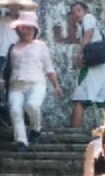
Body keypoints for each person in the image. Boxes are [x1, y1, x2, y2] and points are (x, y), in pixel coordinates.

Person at [5, 11, 63, 152]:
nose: (27, 31)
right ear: (18, 29)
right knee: (15, 110)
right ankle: (21, 141)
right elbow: (7, 67)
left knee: (32, 106)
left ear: (35, 29)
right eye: (24, 27)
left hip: (36, 83)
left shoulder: (41, 46)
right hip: (16, 84)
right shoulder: (13, 46)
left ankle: (36, 129)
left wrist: (56, 85)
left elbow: (48, 67)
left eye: (30, 28)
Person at [69, 0, 105, 128]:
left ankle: (74, 133)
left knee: (79, 99)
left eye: (79, 10)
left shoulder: (88, 18)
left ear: (86, 11)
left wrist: (79, 53)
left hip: (93, 66)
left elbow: (88, 34)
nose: (76, 14)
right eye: (73, 12)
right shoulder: (85, 24)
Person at [0, 0, 38, 111]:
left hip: (20, 56)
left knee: (17, 84)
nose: (14, 7)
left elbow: (33, 38)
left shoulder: (26, 21)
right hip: (0, 55)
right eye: (11, 5)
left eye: (16, 5)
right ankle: (4, 112)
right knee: (1, 85)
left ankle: (17, 111)